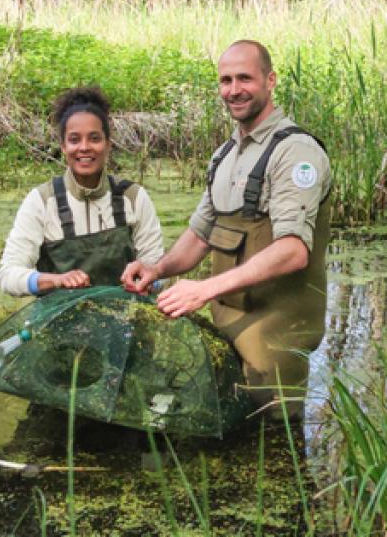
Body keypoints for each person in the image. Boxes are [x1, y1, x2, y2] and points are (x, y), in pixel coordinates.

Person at [122, 40, 332, 419]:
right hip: (229, 320)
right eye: (225, 80)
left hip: (277, 334)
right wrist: (157, 270)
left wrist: (204, 289)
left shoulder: (296, 152)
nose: (233, 90)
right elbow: (201, 234)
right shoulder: (225, 155)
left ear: (270, 81)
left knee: (276, 448)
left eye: (244, 79)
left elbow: (293, 250)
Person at [0, 87, 164, 296]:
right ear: (63, 146)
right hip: (60, 325)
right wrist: (55, 280)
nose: (84, 148)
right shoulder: (41, 201)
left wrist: (149, 281)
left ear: (108, 144)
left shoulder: (133, 197)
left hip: (125, 323)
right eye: (74, 140)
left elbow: (158, 271)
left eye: (94, 138)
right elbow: (8, 275)